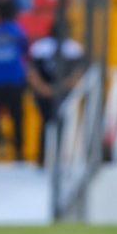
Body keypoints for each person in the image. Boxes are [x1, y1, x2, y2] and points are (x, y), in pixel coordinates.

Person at [27, 23, 84, 165]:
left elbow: (77, 74)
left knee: (57, 123)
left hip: (58, 92)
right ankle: (45, 157)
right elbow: (32, 72)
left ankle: (54, 158)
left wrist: (51, 89)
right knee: (49, 123)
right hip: (50, 92)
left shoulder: (72, 48)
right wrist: (47, 89)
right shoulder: (43, 48)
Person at [0, 0, 27, 161]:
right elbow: (25, 51)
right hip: (14, 82)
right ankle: (19, 153)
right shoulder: (18, 32)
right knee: (17, 118)